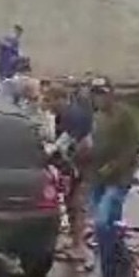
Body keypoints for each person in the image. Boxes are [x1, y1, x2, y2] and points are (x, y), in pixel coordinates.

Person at [84, 77, 139, 277]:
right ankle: (122, 266)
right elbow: (94, 145)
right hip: (97, 178)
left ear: (111, 94)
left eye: (102, 93)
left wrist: (115, 166)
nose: (99, 98)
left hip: (118, 179)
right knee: (106, 227)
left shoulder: (123, 115)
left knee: (102, 222)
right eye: (95, 93)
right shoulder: (97, 118)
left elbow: (134, 146)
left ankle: (110, 274)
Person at [43, 83, 95, 267]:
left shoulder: (73, 115)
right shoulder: (64, 114)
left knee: (77, 205)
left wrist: (50, 153)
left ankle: (79, 246)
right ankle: (74, 241)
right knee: (70, 202)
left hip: (83, 165)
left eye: (49, 100)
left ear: (60, 99)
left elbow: (68, 141)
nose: (47, 105)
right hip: (74, 165)